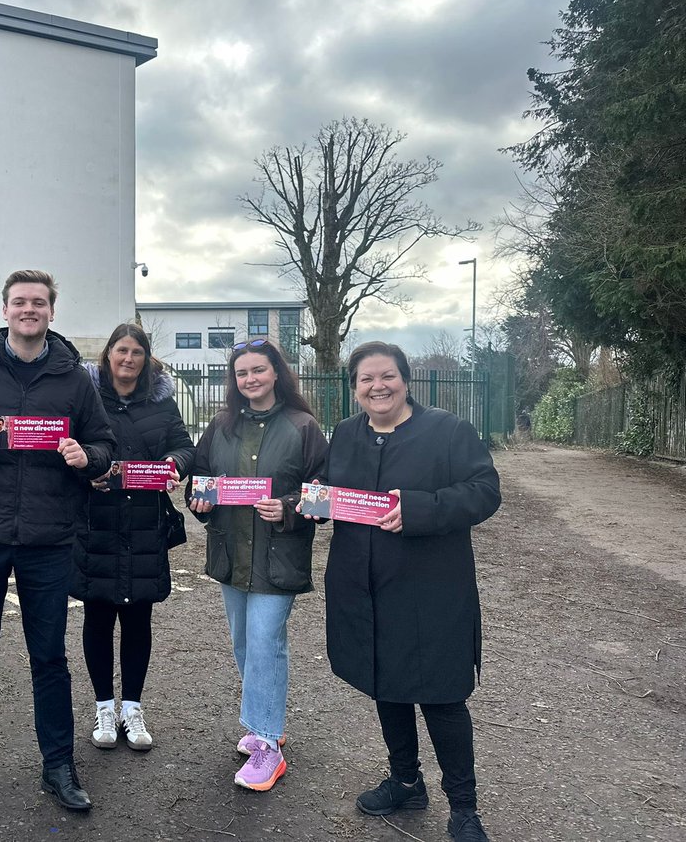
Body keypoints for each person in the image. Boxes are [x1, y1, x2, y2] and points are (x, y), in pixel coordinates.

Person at [0, 269, 116, 813]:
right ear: (5, 310)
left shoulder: (76, 380)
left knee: (49, 658)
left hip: (49, 537)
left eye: (38, 302)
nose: (28, 310)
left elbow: (102, 442)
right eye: (19, 302)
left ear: (52, 312)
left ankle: (58, 765)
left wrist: (89, 457)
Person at [305, 341, 500, 842]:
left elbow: (485, 491)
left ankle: (464, 808)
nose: (378, 387)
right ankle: (406, 780)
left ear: (405, 379)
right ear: (354, 389)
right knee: (385, 683)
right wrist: (310, 502)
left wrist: (419, 509)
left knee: (441, 697)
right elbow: (328, 487)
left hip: (431, 591)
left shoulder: (448, 431)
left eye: (387, 376)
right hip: (363, 587)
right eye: (366, 379)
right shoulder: (347, 434)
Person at [188, 339, 327, 792]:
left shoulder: (303, 427)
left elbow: (323, 494)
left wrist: (288, 506)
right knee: (245, 642)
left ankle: (268, 744)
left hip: (277, 556)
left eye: (258, 371)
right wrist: (201, 502)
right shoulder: (220, 426)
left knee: (266, 642)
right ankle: (269, 722)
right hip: (232, 555)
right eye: (242, 373)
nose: (250, 379)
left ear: (276, 373)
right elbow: (201, 481)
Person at [70, 323, 195, 753]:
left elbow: (184, 446)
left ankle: (132, 706)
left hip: (144, 521)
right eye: (121, 351)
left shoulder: (161, 404)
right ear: (107, 355)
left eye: (136, 353)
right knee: (98, 617)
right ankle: (104, 706)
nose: (128, 359)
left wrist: (175, 464)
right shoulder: (85, 398)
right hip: (96, 520)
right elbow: (70, 450)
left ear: (146, 359)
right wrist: (87, 471)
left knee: (139, 618)